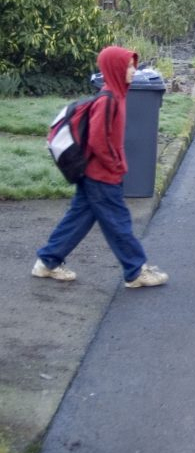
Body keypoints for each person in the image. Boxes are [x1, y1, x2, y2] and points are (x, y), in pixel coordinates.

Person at [33, 46, 169, 288]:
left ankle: (47, 261)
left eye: (132, 65)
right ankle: (136, 271)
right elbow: (98, 140)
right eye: (128, 66)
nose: (133, 70)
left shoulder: (116, 96)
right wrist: (115, 166)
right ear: (115, 69)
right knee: (118, 223)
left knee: (78, 219)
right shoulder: (108, 100)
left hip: (94, 174)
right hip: (102, 176)